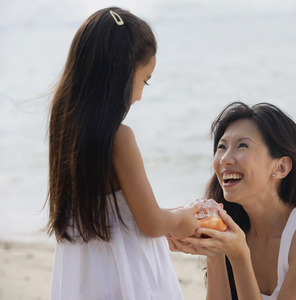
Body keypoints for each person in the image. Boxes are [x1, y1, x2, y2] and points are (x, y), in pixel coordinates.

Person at [45, 7, 199, 300]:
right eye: (145, 79)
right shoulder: (120, 137)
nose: (141, 94)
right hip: (125, 274)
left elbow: (120, 210)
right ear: (121, 75)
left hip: (85, 276)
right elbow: (151, 222)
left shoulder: (65, 131)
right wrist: (182, 218)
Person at [168, 102, 296, 300]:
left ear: (280, 167)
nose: (225, 159)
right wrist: (215, 254)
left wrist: (239, 255)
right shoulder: (234, 231)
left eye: (242, 145)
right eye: (221, 147)